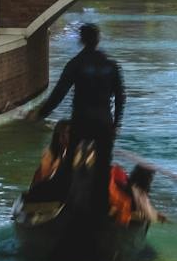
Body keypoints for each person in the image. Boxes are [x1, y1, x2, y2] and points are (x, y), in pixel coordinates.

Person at [26, 21, 127, 182]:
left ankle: (66, 196)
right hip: (104, 122)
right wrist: (116, 124)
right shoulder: (111, 66)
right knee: (102, 170)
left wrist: (40, 114)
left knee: (71, 164)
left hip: (82, 121)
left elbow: (59, 93)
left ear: (81, 40)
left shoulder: (75, 64)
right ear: (98, 40)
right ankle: (100, 203)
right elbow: (121, 97)